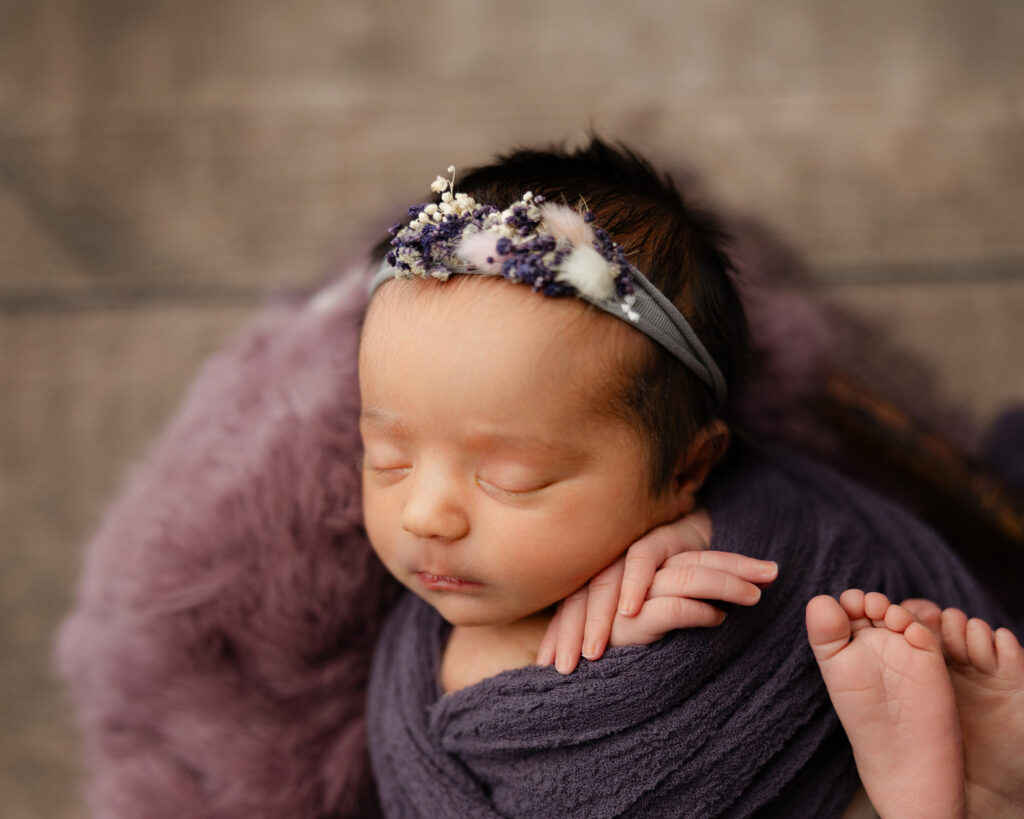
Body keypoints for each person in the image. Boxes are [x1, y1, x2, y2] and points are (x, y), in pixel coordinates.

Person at [359, 139, 1009, 817]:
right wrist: (521, 663)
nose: (425, 513)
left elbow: (813, 547)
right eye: (386, 458)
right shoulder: (407, 659)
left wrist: (697, 548)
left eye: (512, 477)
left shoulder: (728, 547)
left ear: (688, 468)